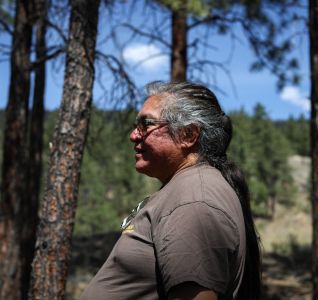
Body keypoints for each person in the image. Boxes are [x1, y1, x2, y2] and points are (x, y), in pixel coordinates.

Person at [80, 81, 262, 300]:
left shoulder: (193, 201)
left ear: (188, 135)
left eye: (145, 124)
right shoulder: (190, 189)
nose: (134, 135)